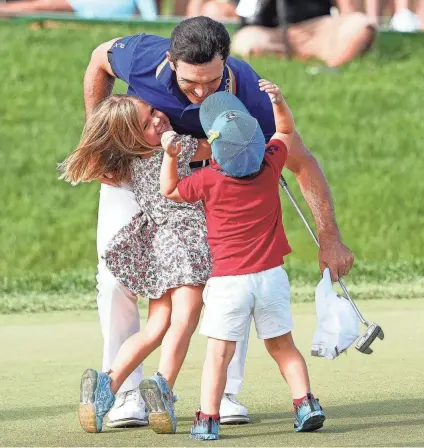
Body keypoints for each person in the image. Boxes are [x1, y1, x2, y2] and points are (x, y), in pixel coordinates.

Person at [84, 16, 354, 427]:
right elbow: (98, 59)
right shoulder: (142, 56)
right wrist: (98, 137)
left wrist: (329, 238)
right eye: (191, 83)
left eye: (212, 82)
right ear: (171, 61)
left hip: (210, 181)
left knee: (229, 278)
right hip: (135, 170)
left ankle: (223, 394)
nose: (201, 93)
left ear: (225, 61)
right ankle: (125, 396)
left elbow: (302, 163)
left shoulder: (252, 95)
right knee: (115, 280)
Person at [159, 80, 327, 440]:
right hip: (271, 277)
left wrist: (170, 157)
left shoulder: (208, 179)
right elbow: (285, 129)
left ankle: (207, 418)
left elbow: (170, 191)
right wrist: (279, 100)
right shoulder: (270, 163)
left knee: (219, 354)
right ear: (256, 142)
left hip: (228, 282)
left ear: (216, 151)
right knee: (283, 346)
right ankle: (306, 403)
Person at [59, 94, 213, 434]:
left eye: (155, 111)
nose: (158, 120)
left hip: (158, 244)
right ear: (132, 137)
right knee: (185, 317)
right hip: (187, 238)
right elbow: (213, 149)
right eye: (146, 123)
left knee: (157, 326)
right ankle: (163, 387)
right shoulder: (175, 147)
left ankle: (107, 386)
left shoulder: (129, 160)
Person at [187, 0, 376, 67]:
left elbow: (348, 9)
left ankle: (333, 66)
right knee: (246, 43)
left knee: (360, 25)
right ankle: (300, 60)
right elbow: (242, 10)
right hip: (270, 33)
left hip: (316, 29)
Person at [0, 0, 158, 20]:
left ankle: (5, 11)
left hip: (92, 9)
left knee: (43, 7)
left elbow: (151, 18)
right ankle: (4, 11)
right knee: (43, 7)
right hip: (87, 5)